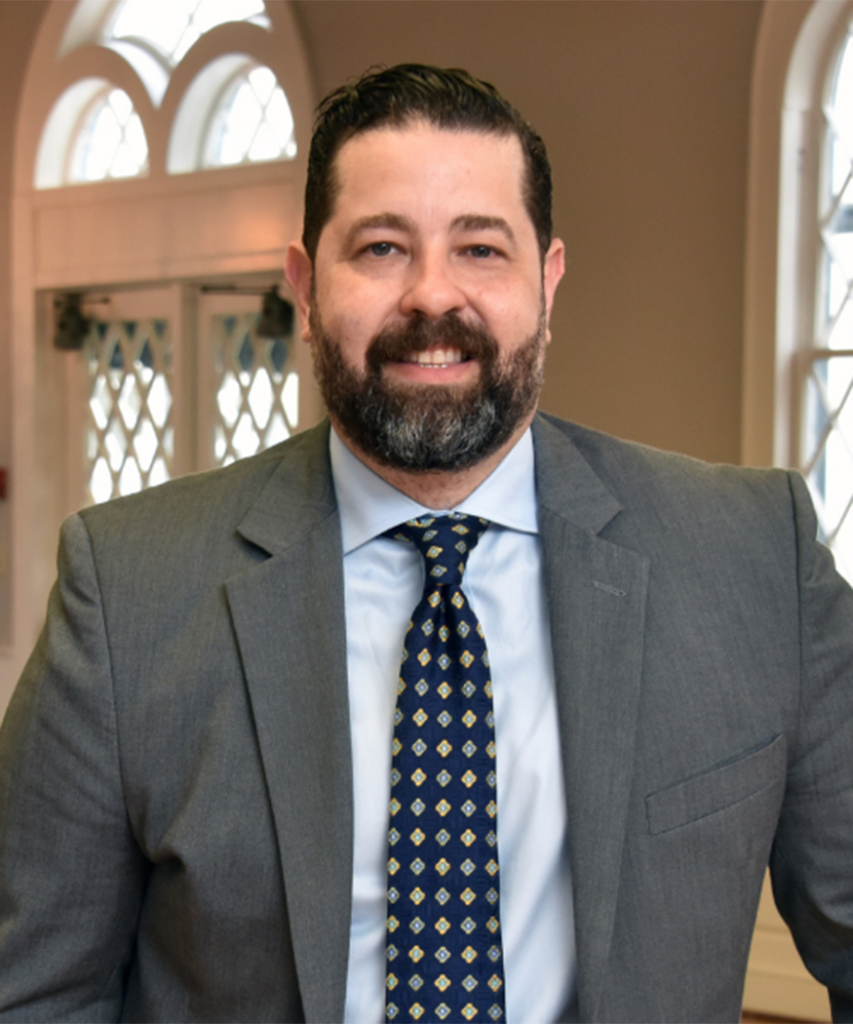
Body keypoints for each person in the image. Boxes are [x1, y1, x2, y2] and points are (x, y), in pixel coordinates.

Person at [1, 62, 852, 1024]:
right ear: (304, 287)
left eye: (481, 249)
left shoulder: (753, 562)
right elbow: (35, 994)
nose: (431, 297)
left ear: (548, 279)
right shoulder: (124, 591)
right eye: (380, 248)